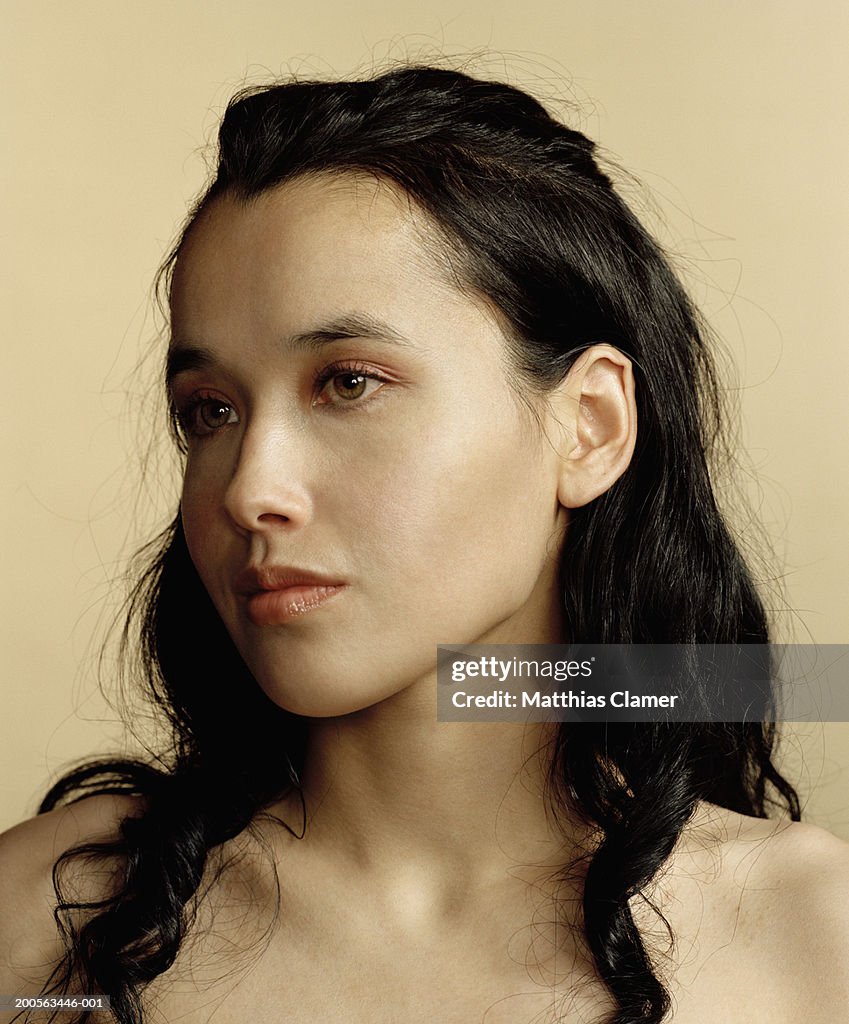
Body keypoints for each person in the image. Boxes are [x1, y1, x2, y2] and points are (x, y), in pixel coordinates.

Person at [1, 64, 848, 1024]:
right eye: (211, 410)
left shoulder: (810, 934)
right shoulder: (40, 922)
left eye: (348, 383)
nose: (249, 490)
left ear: (591, 425)